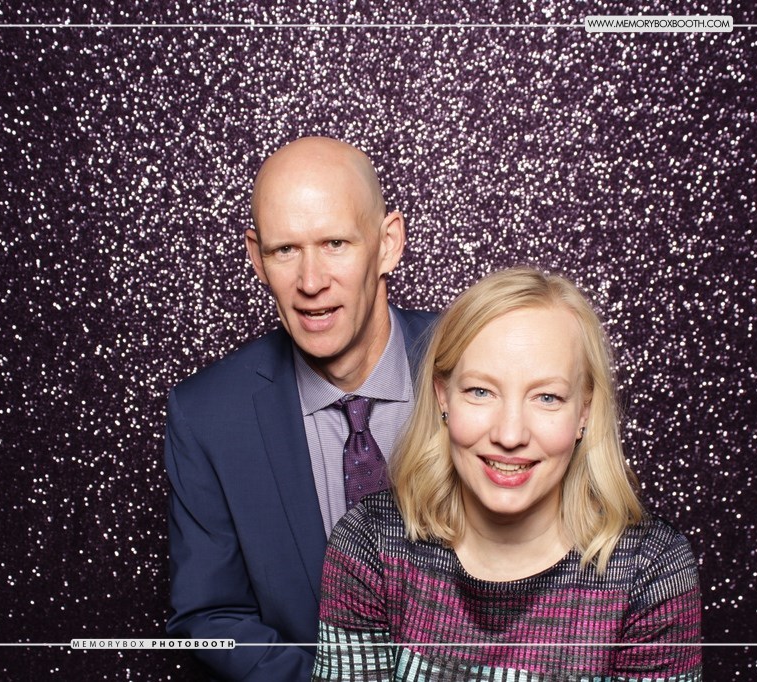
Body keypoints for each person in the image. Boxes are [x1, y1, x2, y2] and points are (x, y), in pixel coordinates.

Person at [313, 267, 702, 681]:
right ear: (443, 397)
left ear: (584, 412)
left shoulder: (650, 570)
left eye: (547, 397)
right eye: (481, 392)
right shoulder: (372, 543)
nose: (510, 435)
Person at [165, 136, 436, 681]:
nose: (311, 282)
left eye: (335, 243)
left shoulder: (475, 365)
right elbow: (210, 617)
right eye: (285, 250)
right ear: (256, 258)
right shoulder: (208, 417)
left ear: (388, 244)